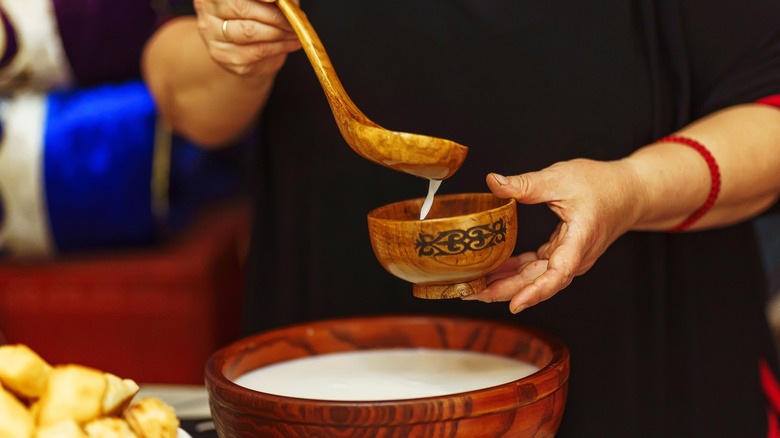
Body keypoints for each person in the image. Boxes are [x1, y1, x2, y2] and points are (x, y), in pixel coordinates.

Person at [142, 0, 780, 436]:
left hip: (649, 357)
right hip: (338, 357)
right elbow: (184, 95)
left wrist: (633, 188)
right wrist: (234, 46)